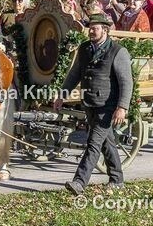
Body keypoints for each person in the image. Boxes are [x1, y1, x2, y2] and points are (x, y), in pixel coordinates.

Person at [53, 13, 133, 194]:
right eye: (90, 28)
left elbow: (126, 82)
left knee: (93, 143)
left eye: (95, 28)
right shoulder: (85, 49)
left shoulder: (118, 51)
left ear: (105, 30)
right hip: (89, 102)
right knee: (107, 143)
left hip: (108, 105)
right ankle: (117, 179)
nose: (91, 31)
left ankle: (79, 182)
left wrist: (122, 107)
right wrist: (61, 96)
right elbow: (74, 74)